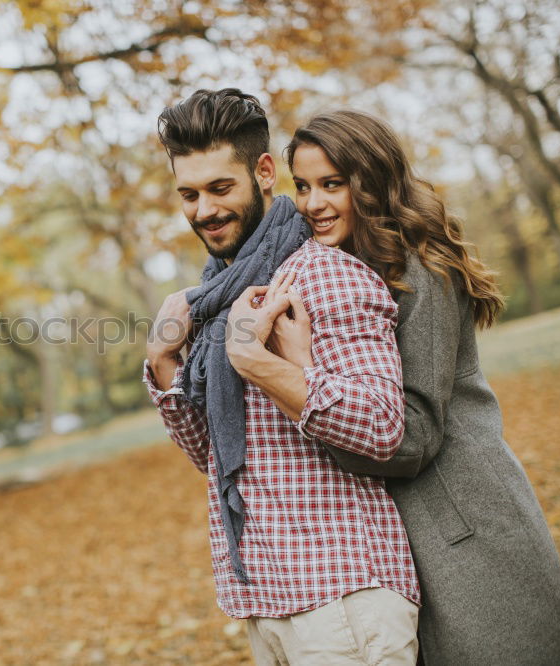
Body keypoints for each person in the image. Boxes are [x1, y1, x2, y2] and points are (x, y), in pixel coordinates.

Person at [256, 109, 560, 664]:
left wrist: (302, 375)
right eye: (304, 186)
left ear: (371, 180)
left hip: (465, 527)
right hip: (407, 535)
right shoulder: (344, 267)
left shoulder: (420, 270)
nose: (313, 204)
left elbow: (413, 437)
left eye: (333, 184)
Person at [145, 88, 421, 664]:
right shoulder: (213, 301)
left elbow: (382, 428)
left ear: (264, 171)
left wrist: (259, 363)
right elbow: (218, 458)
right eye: (189, 194)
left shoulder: (323, 277)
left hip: (343, 598)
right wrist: (165, 366)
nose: (204, 211)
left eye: (220, 188)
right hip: (265, 597)